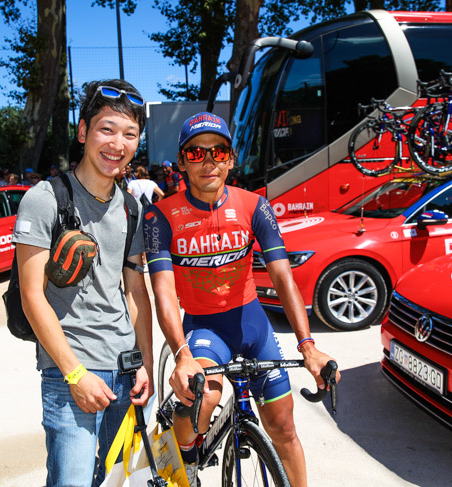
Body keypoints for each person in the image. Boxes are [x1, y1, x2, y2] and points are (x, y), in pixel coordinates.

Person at [144, 112, 340, 487]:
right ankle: (182, 449)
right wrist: (182, 355)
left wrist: (309, 346)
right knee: (201, 405)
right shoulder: (161, 216)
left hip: (253, 325)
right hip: (203, 328)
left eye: (218, 151)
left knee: (283, 425)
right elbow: (163, 291)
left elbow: (283, 276)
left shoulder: (255, 205)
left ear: (231, 159)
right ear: (182, 161)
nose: (209, 161)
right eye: (196, 153)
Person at [12, 79, 154, 487]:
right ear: (82, 132)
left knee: (123, 482)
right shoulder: (44, 199)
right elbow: (31, 295)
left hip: (126, 372)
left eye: (130, 134)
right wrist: (75, 374)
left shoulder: (131, 207)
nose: (117, 143)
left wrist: (144, 361)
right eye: (106, 129)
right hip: (69, 373)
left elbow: (135, 290)